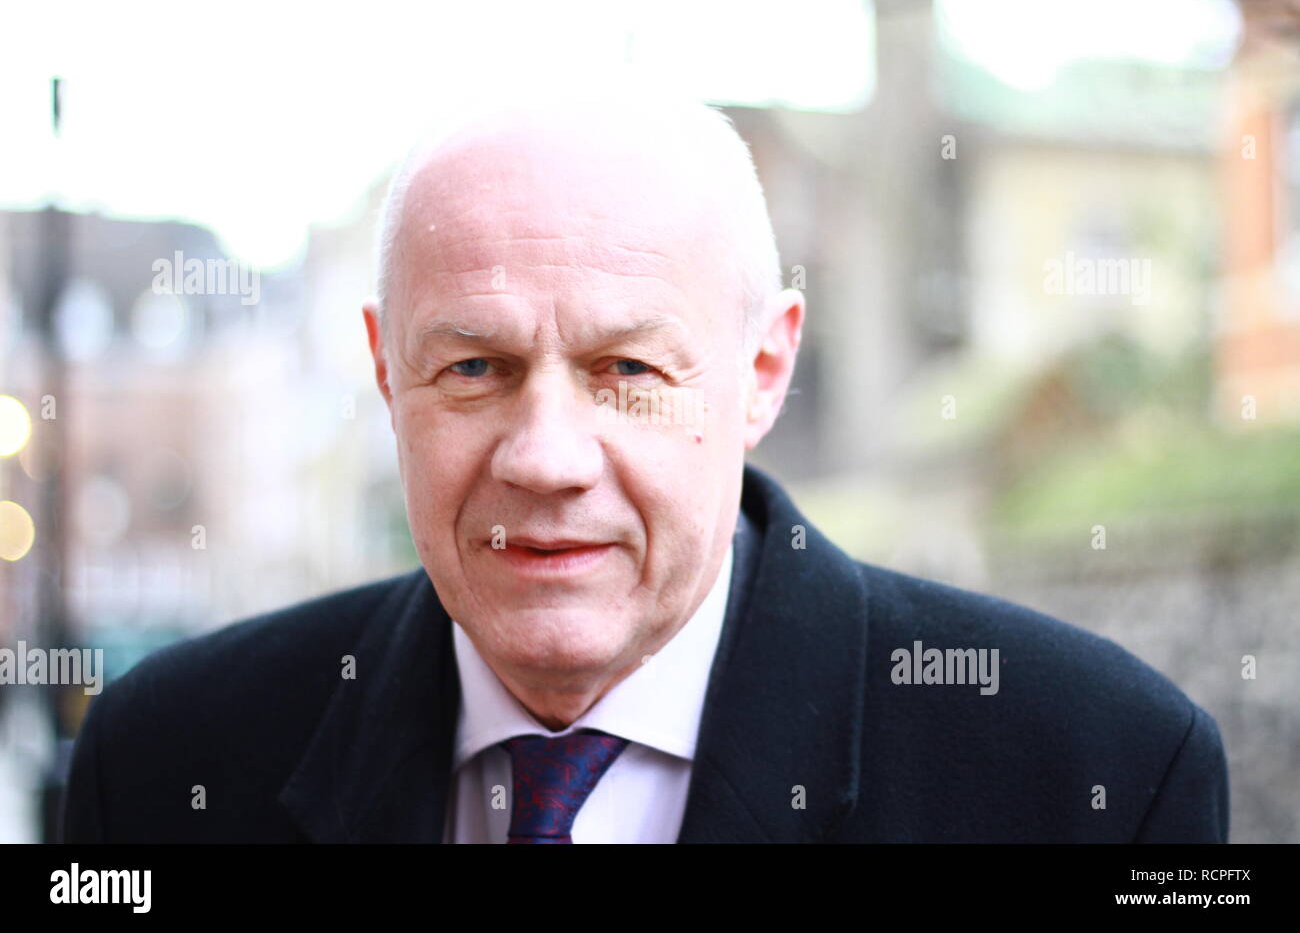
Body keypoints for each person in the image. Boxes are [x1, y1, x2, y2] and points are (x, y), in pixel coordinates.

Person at [60, 87, 1229, 843]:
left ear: (762, 371)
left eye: (625, 367)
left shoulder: (1099, 775)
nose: (548, 457)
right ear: (383, 372)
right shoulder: (163, 764)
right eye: (473, 368)